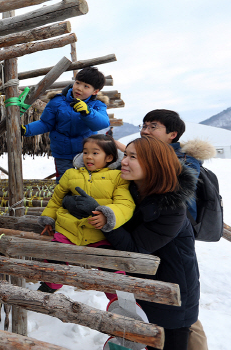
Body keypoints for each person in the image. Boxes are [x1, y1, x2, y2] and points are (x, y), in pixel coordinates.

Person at [115, 110, 215, 349]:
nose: (145, 130)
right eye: (144, 125)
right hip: (151, 276)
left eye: (153, 127)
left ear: (172, 135)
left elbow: (137, 245)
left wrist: (107, 220)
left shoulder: (172, 199)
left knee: (181, 330)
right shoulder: (131, 189)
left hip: (172, 278)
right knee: (158, 334)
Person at [103, 136, 200, 350]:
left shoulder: (172, 205)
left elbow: (135, 250)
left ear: (154, 163)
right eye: (125, 154)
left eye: (132, 157)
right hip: (140, 286)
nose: (124, 161)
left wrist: (106, 219)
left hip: (171, 292)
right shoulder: (127, 189)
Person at [37, 134, 135, 293]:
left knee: (111, 265)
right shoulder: (70, 174)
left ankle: (118, 298)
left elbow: (125, 204)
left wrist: (107, 215)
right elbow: (56, 199)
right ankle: (51, 284)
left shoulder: (118, 178)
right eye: (85, 152)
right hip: (68, 230)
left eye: (95, 153)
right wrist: (49, 219)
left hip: (98, 234)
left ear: (109, 157)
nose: (89, 156)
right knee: (54, 255)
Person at [21, 67, 109, 181]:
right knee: (64, 183)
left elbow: (102, 123)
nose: (79, 88)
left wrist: (88, 112)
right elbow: (46, 123)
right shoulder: (57, 101)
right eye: (78, 83)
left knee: (87, 183)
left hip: (86, 155)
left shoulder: (97, 105)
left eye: (86, 86)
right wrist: (27, 130)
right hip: (62, 153)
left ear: (95, 91)